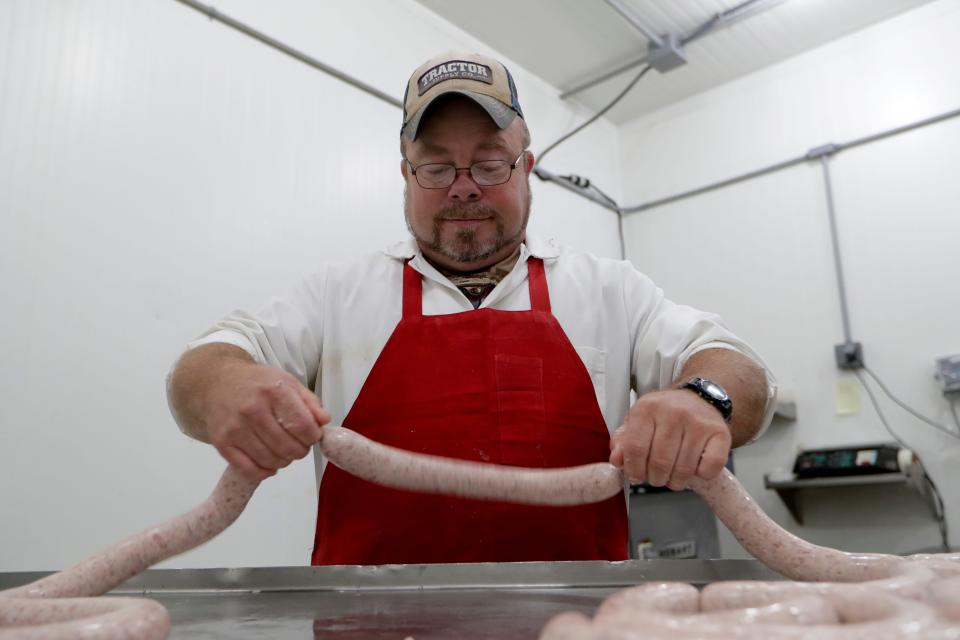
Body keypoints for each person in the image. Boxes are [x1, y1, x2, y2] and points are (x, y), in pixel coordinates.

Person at [167, 51, 776, 565]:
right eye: (436, 166)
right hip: (367, 626)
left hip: (579, 623)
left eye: (489, 163)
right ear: (405, 176)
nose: (464, 186)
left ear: (526, 170)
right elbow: (204, 367)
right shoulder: (336, 295)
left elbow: (741, 373)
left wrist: (703, 398)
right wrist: (226, 387)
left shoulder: (610, 289)